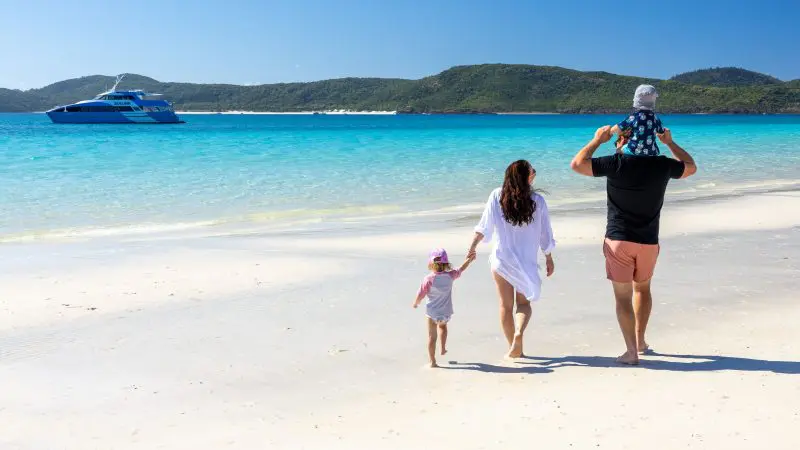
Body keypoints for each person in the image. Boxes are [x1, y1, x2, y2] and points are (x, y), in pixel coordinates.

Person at [569, 125, 697, 365]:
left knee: (623, 297)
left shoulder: (616, 163)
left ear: (623, 142)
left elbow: (577, 164)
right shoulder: (662, 165)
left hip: (619, 241)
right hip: (648, 242)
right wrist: (670, 143)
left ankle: (631, 351)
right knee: (643, 290)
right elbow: (691, 167)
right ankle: (640, 341)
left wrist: (597, 140)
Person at [467, 160, 556, 358]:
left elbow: (484, 227)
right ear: (527, 177)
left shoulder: (497, 195)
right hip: (526, 264)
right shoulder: (538, 201)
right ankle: (518, 333)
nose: (534, 174)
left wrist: (472, 246)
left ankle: (514, 348)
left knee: (505, 307)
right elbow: (545, 234)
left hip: (501, 261)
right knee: (523, 305)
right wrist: (548, 256)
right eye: (533, 171)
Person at [413, 248, 475, 368]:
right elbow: (461, 268)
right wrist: (469, 260)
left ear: (431, 264)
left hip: (432, 313)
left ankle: (433, 362)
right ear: (446, 264)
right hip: (445, 312)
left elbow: (421, 293)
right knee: (443, 327)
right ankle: (443, 348)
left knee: (431, 337)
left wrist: (416, 303)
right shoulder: (450, 276)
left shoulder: (428, 279)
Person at [610, 84, 665, 157]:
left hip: (634, 150)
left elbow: (618, 128)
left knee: (619, 149)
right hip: (652, 152)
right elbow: (661, 132)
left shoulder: (633, 117)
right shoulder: (655, 117)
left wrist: (609, 132)